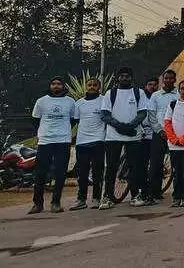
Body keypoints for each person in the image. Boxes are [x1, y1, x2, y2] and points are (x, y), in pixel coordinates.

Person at [99, 67, 149, 210]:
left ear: (132, 78)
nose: (124, 78)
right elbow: (105, 115)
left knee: (135, 168)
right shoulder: (110, 93)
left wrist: (129, 127)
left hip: (134, 136)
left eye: (127, 76)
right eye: (122, 76)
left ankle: (135, 195)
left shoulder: (139, 93)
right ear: (117, 78)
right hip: (113, 136)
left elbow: (142, 113)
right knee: (111, 168)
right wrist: (121, 127)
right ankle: (107, 196)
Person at [28, 76, 76, 214]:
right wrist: (45, 132)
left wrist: (62, 130)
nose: (56, 86)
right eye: (53, 84)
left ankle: (56, 202)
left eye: (59, 84)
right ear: (50, 86)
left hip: (63, 141)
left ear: (63, 86)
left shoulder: (70, 102)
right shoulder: (41, 101)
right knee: (40, 173)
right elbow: (35, 120)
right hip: (45, 141)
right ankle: (37, 204)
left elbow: (72, 120)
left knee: (60, 173)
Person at [70, 78, 106, 211]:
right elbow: (76, 122)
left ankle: (96, 198)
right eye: (89, 85)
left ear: (99, 87)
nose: (92, 87)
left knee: (97, 172)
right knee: (82, 173)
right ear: (86, 86)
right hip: (82, 142)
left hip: (98, 141)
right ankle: (81, 199)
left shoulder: (104, 100)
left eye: (94, 85)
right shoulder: (79, 103)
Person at [146, 70, 178, 203]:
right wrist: (159, 130)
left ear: (175, 79)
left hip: (177, 134)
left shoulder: (179, 94)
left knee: (177, 164)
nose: (169, 80)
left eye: (171, 78)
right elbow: (151, 115)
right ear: (163, 80)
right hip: (159, 133)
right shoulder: (156, 95)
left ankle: (179, 192)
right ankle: (155, 192)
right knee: (155, 164)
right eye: (166, 78)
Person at [136, 77, 159, 205]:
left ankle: (151, 191)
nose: (152, 87)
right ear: (146, 86)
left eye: (155, 85)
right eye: (150, 84)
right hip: (140, 134)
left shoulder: (156, 97)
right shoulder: (140, 97)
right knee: (141, 164)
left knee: (153, 165)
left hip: (154, 135)